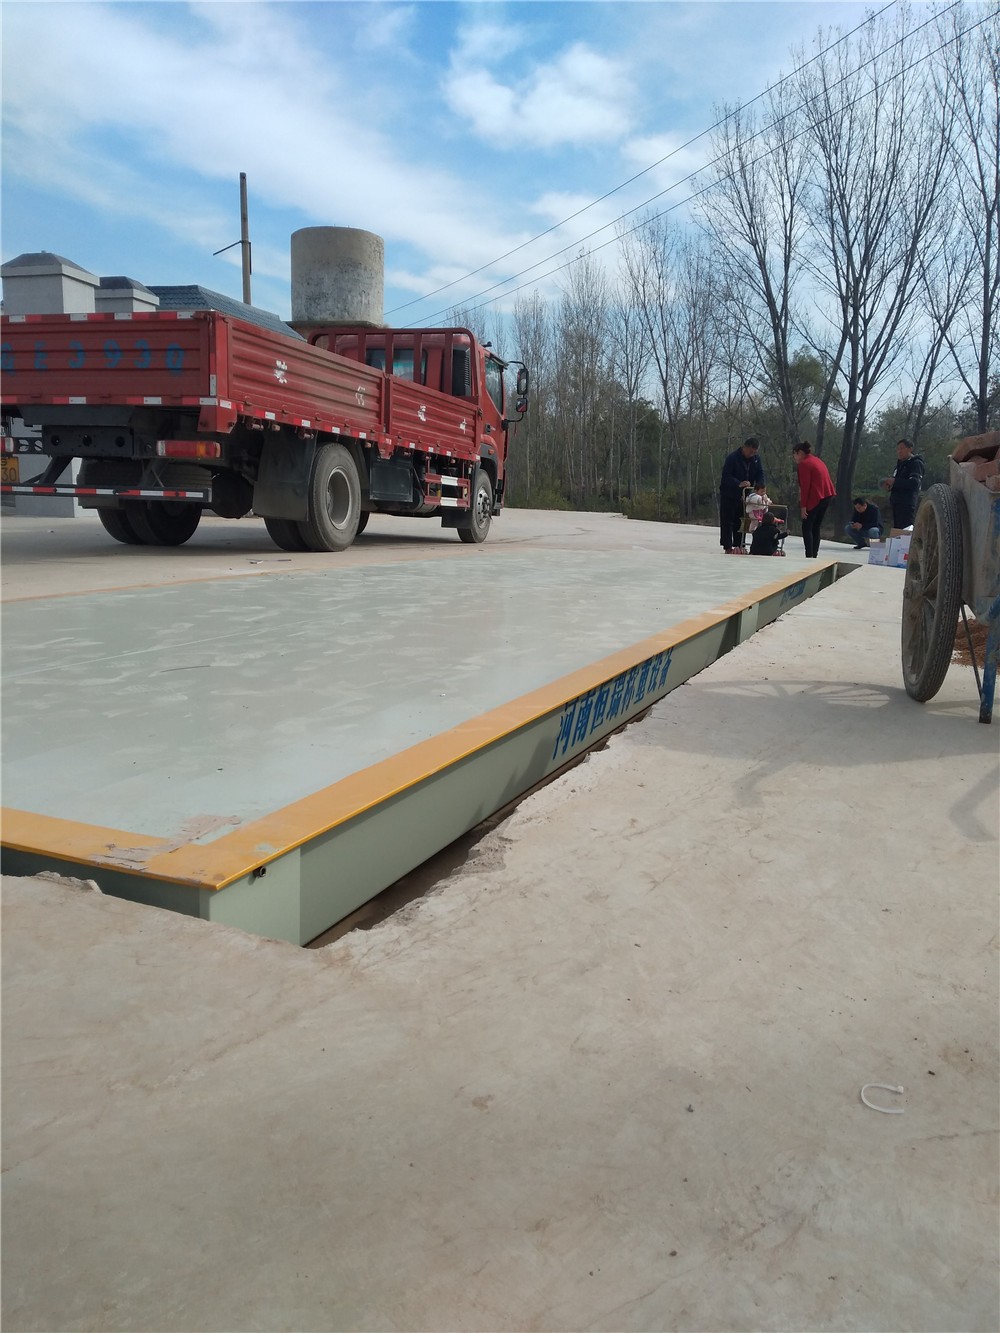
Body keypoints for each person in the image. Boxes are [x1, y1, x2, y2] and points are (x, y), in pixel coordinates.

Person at [719, 438, 765, 554]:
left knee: (741, 521)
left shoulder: (756, 459)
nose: (752, 454)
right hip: (729, 494)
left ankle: (739, 545)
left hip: (745, 496)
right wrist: (738, 483)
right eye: (750, 452)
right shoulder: (732, 458)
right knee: (728, 521)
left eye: (754, 452)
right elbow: (726, 476)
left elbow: (760, 473)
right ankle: (728, 546)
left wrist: (760, 487)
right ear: (745, 447)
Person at [792, 441, 836, 558]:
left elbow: (805, 487)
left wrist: (803, 506)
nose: (794, 458)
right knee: (816, 526)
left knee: (806, 527)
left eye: (794, 454)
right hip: (827, 495)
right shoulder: (817, 460)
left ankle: (809, 555)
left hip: (816, 496)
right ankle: (814, 555)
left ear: (799, 453)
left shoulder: (804, 464)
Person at [881, 438, 924, 532]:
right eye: (898, 449)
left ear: (910, 449)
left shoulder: (916, 463)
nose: (899, 451)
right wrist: (889, 486)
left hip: (907, 504)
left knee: (906, 531)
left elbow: (915, 483)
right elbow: (896, 481)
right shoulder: (899, 465)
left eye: (902, 448)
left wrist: (895, 481)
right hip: (896, 503)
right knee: (897, 531)